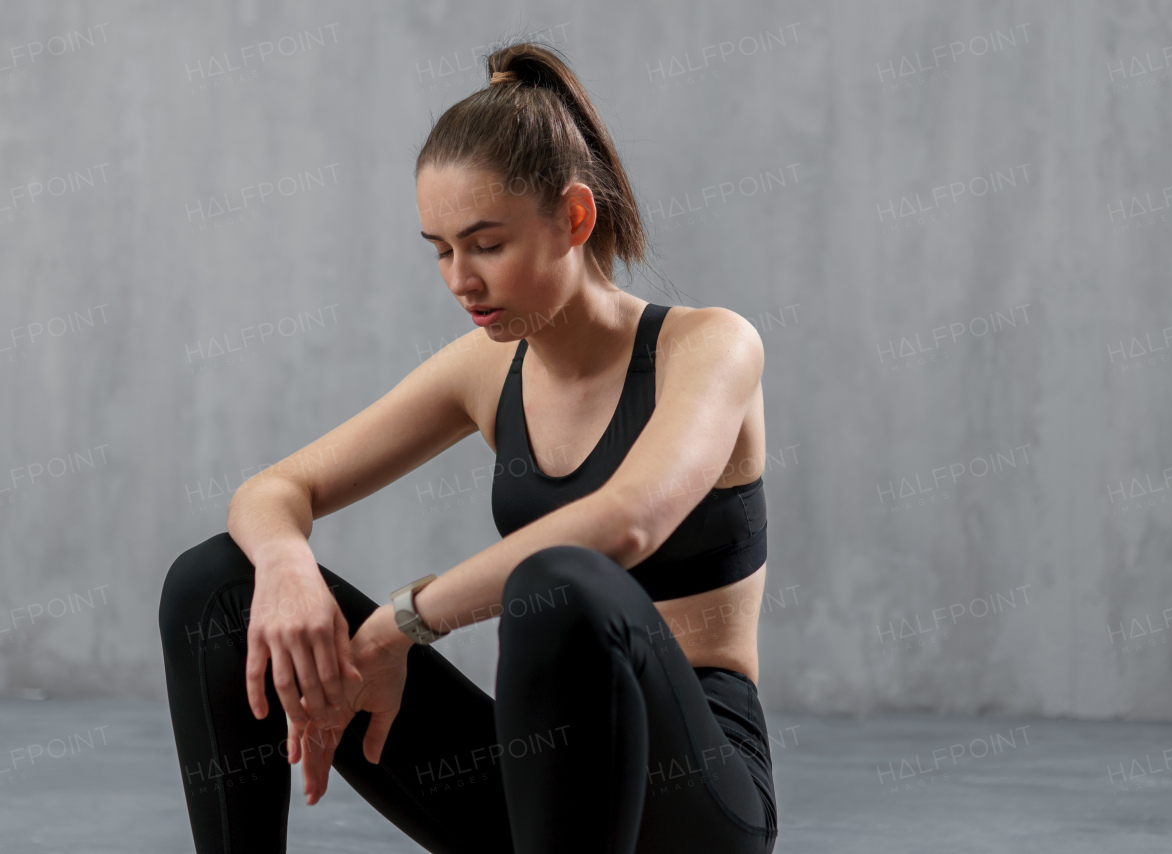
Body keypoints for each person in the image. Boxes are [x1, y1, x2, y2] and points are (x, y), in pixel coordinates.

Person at [158, 39, 777, 854]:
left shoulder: (712, 347)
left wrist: (399, 625)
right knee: (215, 587)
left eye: (486, 245)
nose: (460, 280)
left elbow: (626, 523)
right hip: (546, 788)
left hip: (695, 799)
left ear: (575, 218)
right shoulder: (485, 370)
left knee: (563, 584)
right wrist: (284, 570)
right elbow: (273, 490)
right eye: (442, 250)